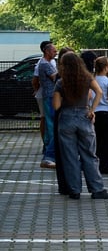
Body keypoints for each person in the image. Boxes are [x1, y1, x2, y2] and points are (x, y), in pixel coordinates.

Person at [52, 52, 108, 200]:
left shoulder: (61, 82)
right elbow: (99, 91)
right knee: (89, 154)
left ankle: (74, 190)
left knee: (70, 156)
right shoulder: (86, 78)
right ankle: (97, 189)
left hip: (66, 118)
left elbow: (56, 106)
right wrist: (92, 109)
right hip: (84, 116)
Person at [36, 41, 58, 169]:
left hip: (50, 95)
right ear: (47, 51)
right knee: (51, 124)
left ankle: (49, 150)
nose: (55, 53)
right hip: (49, 96)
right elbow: (55, 77)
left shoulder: (47, 62)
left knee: (51, 122)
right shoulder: (45, 64)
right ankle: (48, 152)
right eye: (54, 51)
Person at [92, 56, 108, 175]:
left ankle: (94, 164)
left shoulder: (92, 80)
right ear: (106, 67)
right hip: (107, 111)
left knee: (96, 139)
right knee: (107, 140)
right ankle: (105, 165)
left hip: (95, 111)